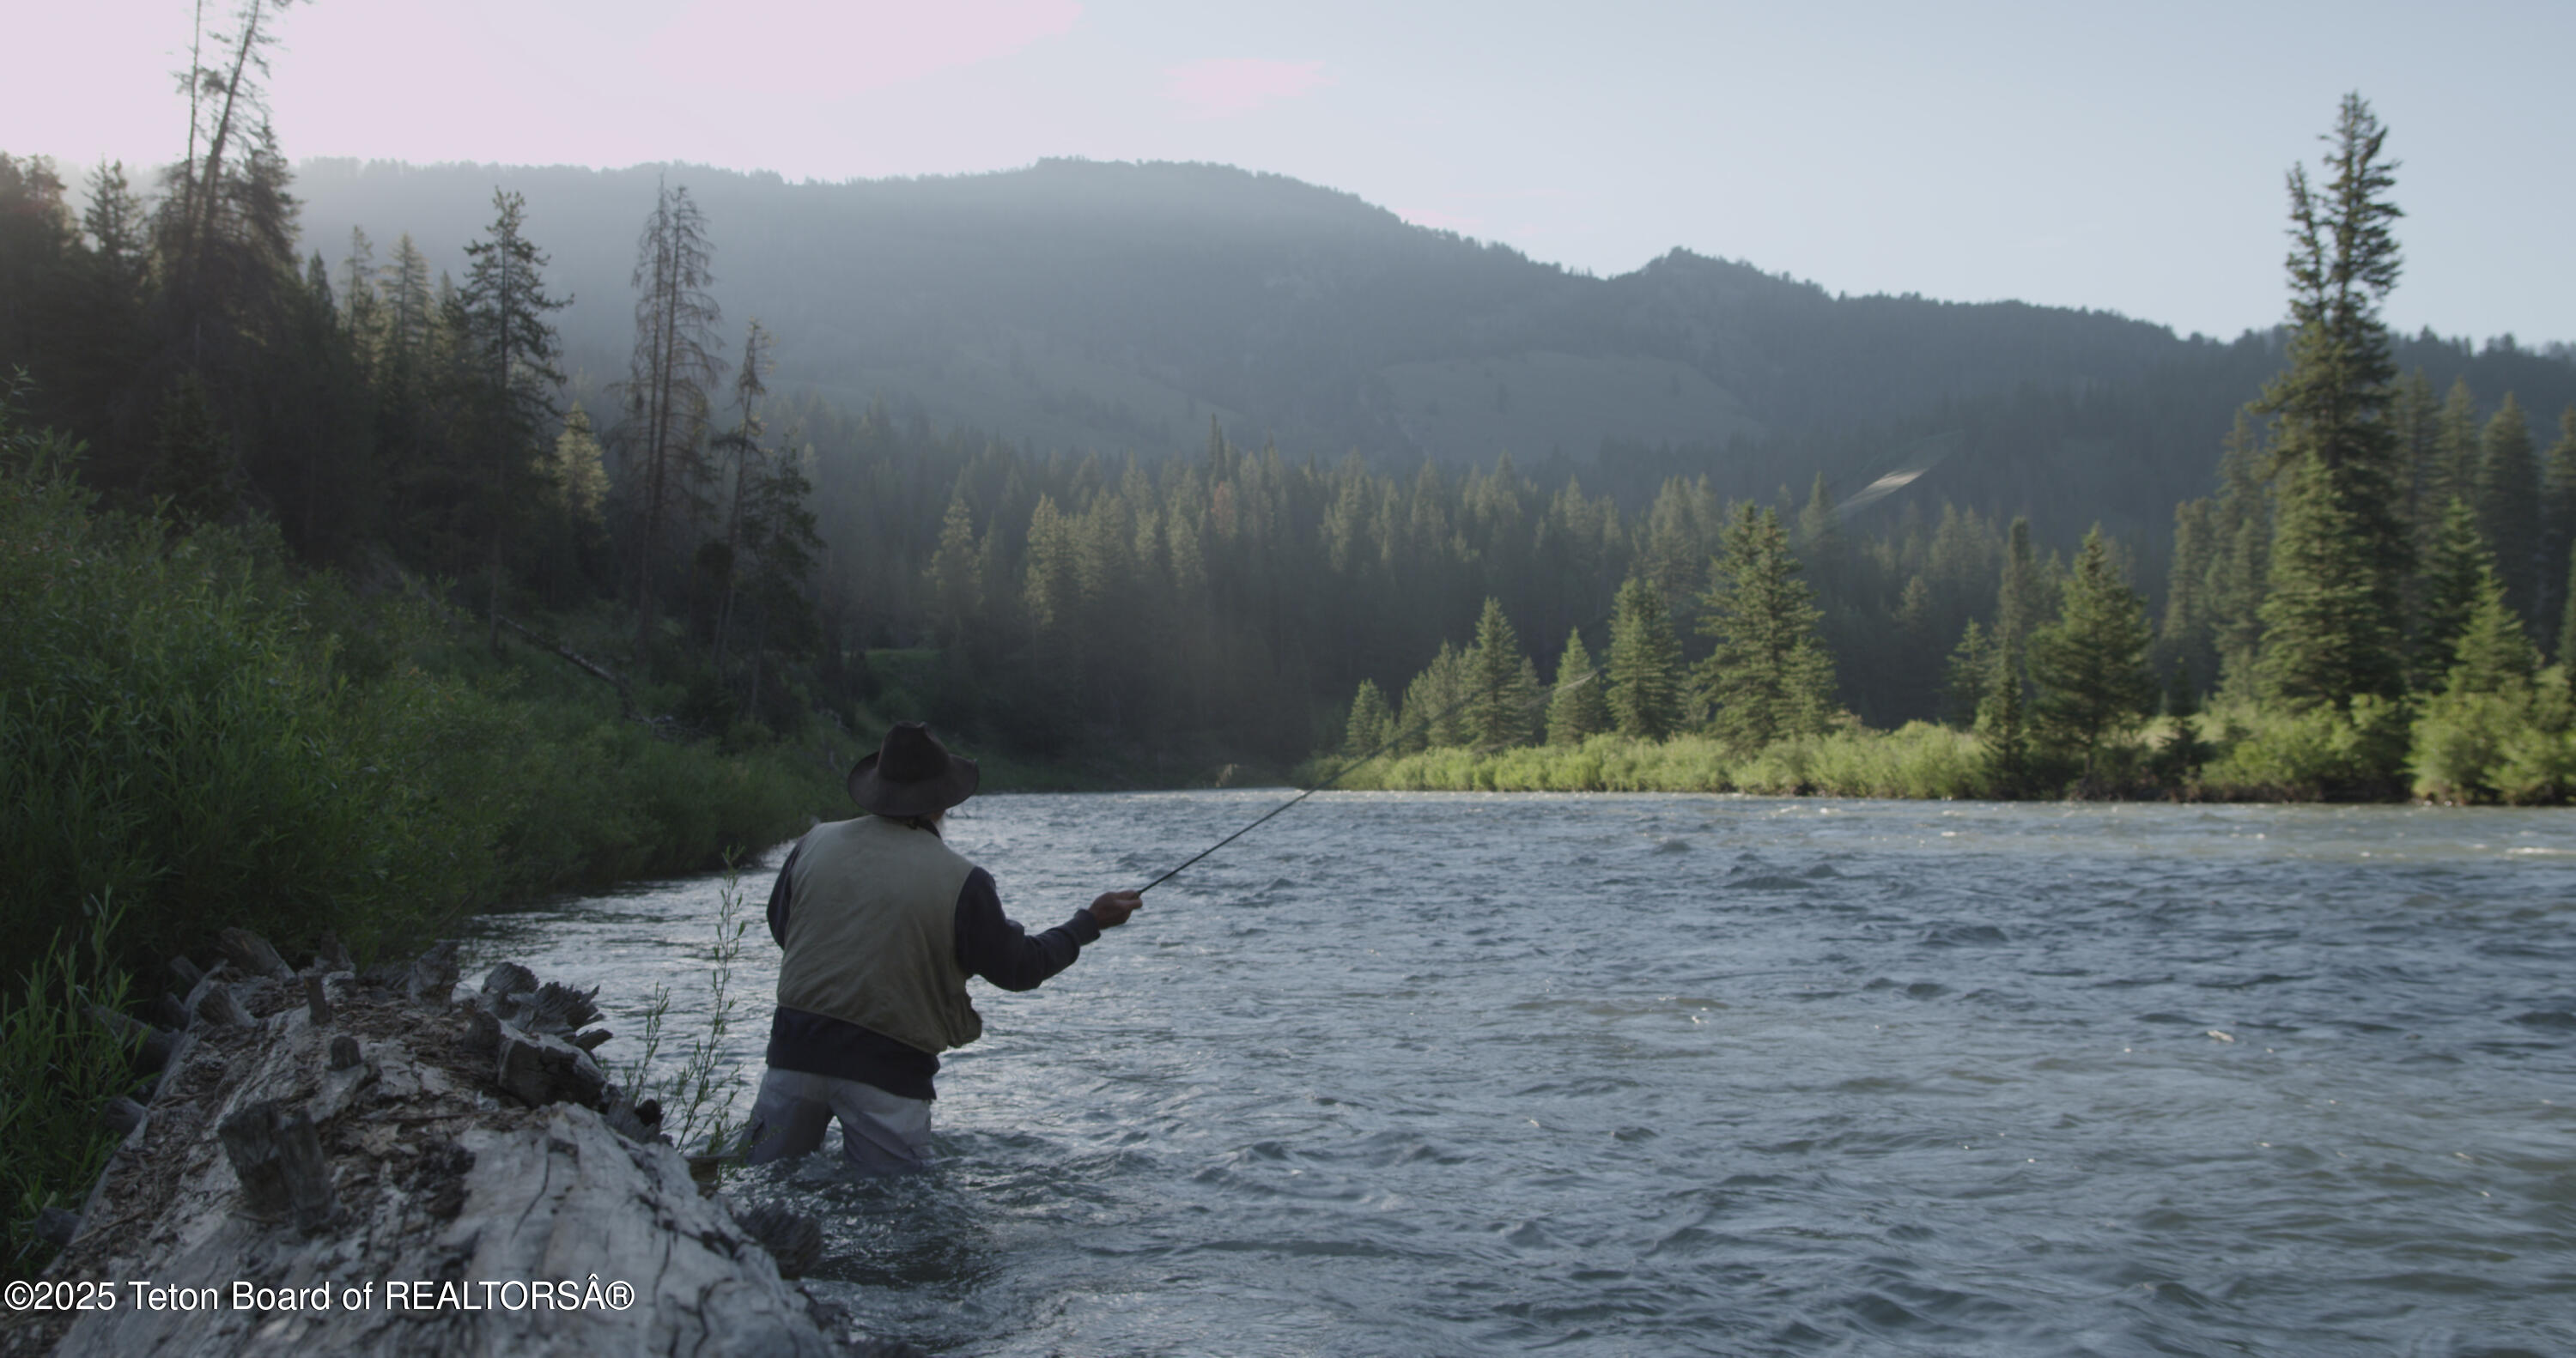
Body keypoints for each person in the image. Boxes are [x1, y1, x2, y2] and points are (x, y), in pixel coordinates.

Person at [744, 721, 1141, 1172]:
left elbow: (784, 930)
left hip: (792, 1052)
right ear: (943, 802)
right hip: (888, 1072)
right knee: (898, 1219)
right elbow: (1019, 969)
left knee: (765, 1186)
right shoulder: (962, 879)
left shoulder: (813, 843)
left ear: (879, 787)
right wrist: (1088, 922)